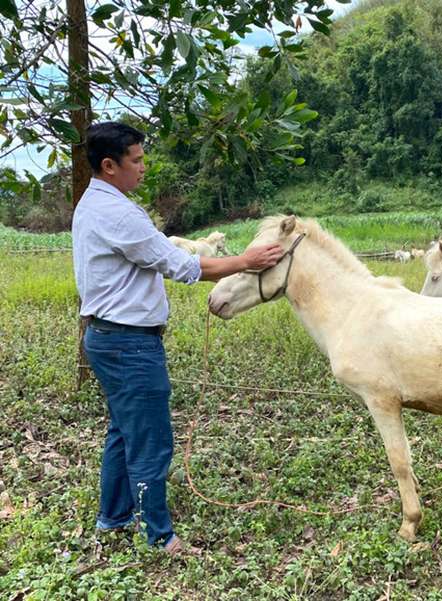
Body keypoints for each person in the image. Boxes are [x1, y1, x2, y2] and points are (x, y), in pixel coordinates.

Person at [72, 122, 284, 555]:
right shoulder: (118, 213)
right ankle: (160, 536)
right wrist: (244, 260)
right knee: (150, 439)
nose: (144, 168)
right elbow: (182, 266)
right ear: (109, 166)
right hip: (130, 344)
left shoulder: (93, 203)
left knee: (123, 431)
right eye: (137, 160)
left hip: (107, 338)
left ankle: (112, 518)